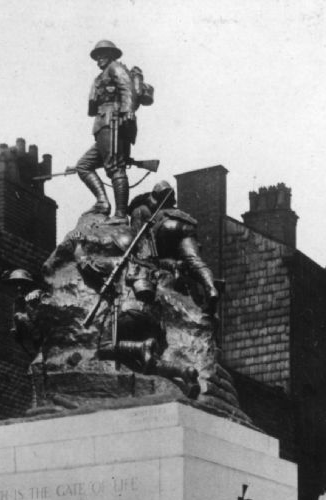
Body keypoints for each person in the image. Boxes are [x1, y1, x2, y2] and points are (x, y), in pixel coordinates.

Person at [76, 40, 151, 220]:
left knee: (115, 168)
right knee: (83, 166)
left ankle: (120, 215)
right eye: (97, 56)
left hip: (113, 123)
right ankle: (102, 202)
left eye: (102, 55)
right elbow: (93, 107)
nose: (99, 59)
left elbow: (127, 88)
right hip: (104, 124)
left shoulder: (115, 68)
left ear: (110, 55)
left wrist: (128, 111)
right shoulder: (101, 77)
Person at [128, 180, 220, 313]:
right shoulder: (177, 212)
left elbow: (141, 249)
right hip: (185, 226)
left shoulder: (140, 210)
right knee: (194, 260)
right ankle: (210, 288)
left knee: (147, 259)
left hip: (165, 228)